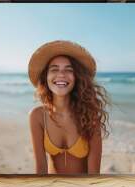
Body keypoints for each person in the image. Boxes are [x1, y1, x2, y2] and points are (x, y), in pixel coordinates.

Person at [28, 40, 109, 174]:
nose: (61, 75)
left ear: (76, 77)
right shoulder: (37, 116)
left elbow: (94, 174)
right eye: (54, 69)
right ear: (46, 77)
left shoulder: (90, 115)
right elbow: (41, 171)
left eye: (68, 70)